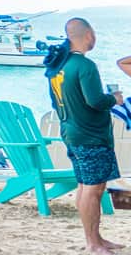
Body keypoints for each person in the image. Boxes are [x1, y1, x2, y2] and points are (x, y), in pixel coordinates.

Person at [52, 18, 124, 254]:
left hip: (72, 133)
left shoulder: (57, 66)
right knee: (93, 190)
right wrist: (115, 98)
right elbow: (95, 101)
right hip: (91, 136)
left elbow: (56, 102)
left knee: (86, 187)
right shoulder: (85, 66)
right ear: (89, 34)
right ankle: (93, 243)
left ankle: (96, 238)